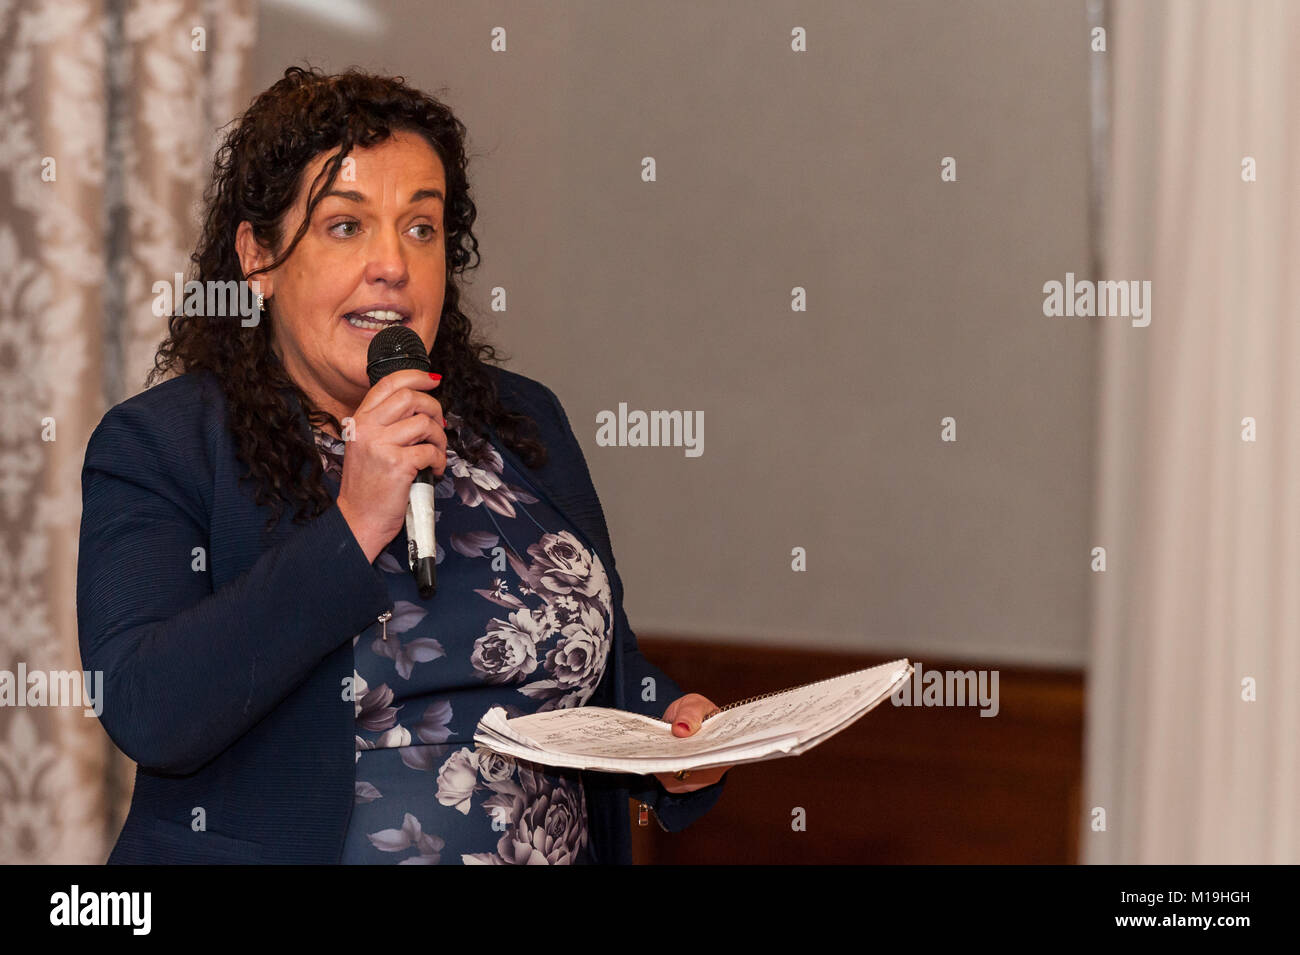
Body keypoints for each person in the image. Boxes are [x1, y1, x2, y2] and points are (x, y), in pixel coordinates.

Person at [76, 66, 730, 864]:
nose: (393, 262)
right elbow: (148, 708)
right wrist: (353, 527)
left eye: (421, 228)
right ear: (259, 256)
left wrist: (673, 729)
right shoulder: (164, 445)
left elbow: (595, 665)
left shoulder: (521, 423)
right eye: (346, 226)